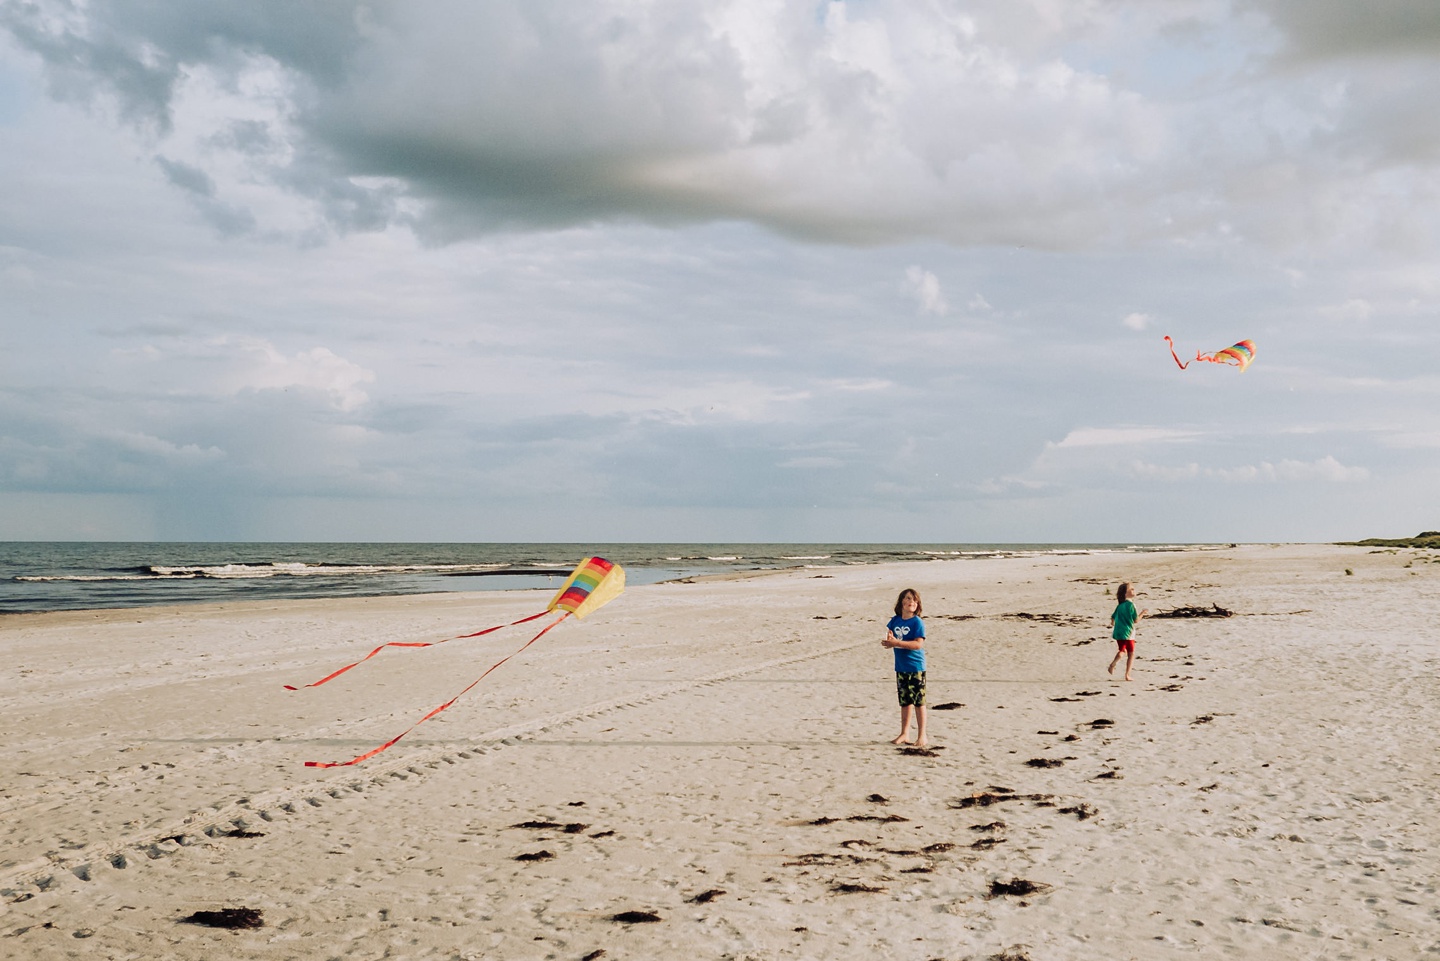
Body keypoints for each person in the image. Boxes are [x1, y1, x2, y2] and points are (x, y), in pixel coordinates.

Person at [882, 588, 928, 746]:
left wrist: (897, 643)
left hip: (916, 667)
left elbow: (918, 644)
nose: (912, 602)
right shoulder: (895, 621)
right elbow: (891, 639)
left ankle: (922, 735)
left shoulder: (917, 622)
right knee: (905, 702)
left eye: (915, 600)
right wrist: (889, 643)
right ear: (902, 601)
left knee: (919, 702)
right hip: (901, 667)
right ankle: (904, 734)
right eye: (908, 598)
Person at [1107, 582, 1149, 681]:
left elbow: (1112, 618)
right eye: (1131, 589)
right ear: (1125, 594)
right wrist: (1142, 613)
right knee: (1131, 653)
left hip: (1118, 632)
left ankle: (1113, 664)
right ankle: (1127, 674)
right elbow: (1136, 620)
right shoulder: (1131, 605)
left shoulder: (1120, 605)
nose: (1134, 590)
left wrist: (1114, 623)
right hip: (1129, 632)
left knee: (1122, 650)